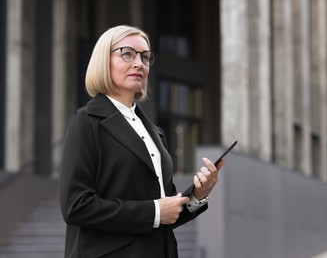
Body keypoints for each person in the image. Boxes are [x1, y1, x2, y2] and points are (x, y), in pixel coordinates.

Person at [59, 25, 223, 258]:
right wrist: (155, 211)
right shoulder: (86, 122)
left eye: (145, 57)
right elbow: (76, 206)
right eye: (128, 53)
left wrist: (198, 195)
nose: (139, 63)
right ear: (104, 61)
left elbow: (167, 212)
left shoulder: (155, 133)